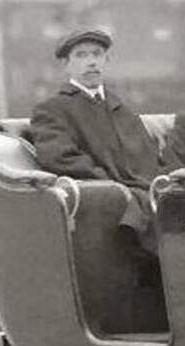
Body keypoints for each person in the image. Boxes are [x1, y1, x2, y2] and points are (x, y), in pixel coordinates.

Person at [28, 28, 162, 252]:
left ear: (106, 60)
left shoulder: (121, 109)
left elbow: (147, 155)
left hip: (141, 194)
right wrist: (109, 181)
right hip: (105, 199)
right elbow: (59, 157)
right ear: (66, 65)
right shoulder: (53, 110)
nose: (91, 62)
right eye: (81, 55)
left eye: (97, 54)